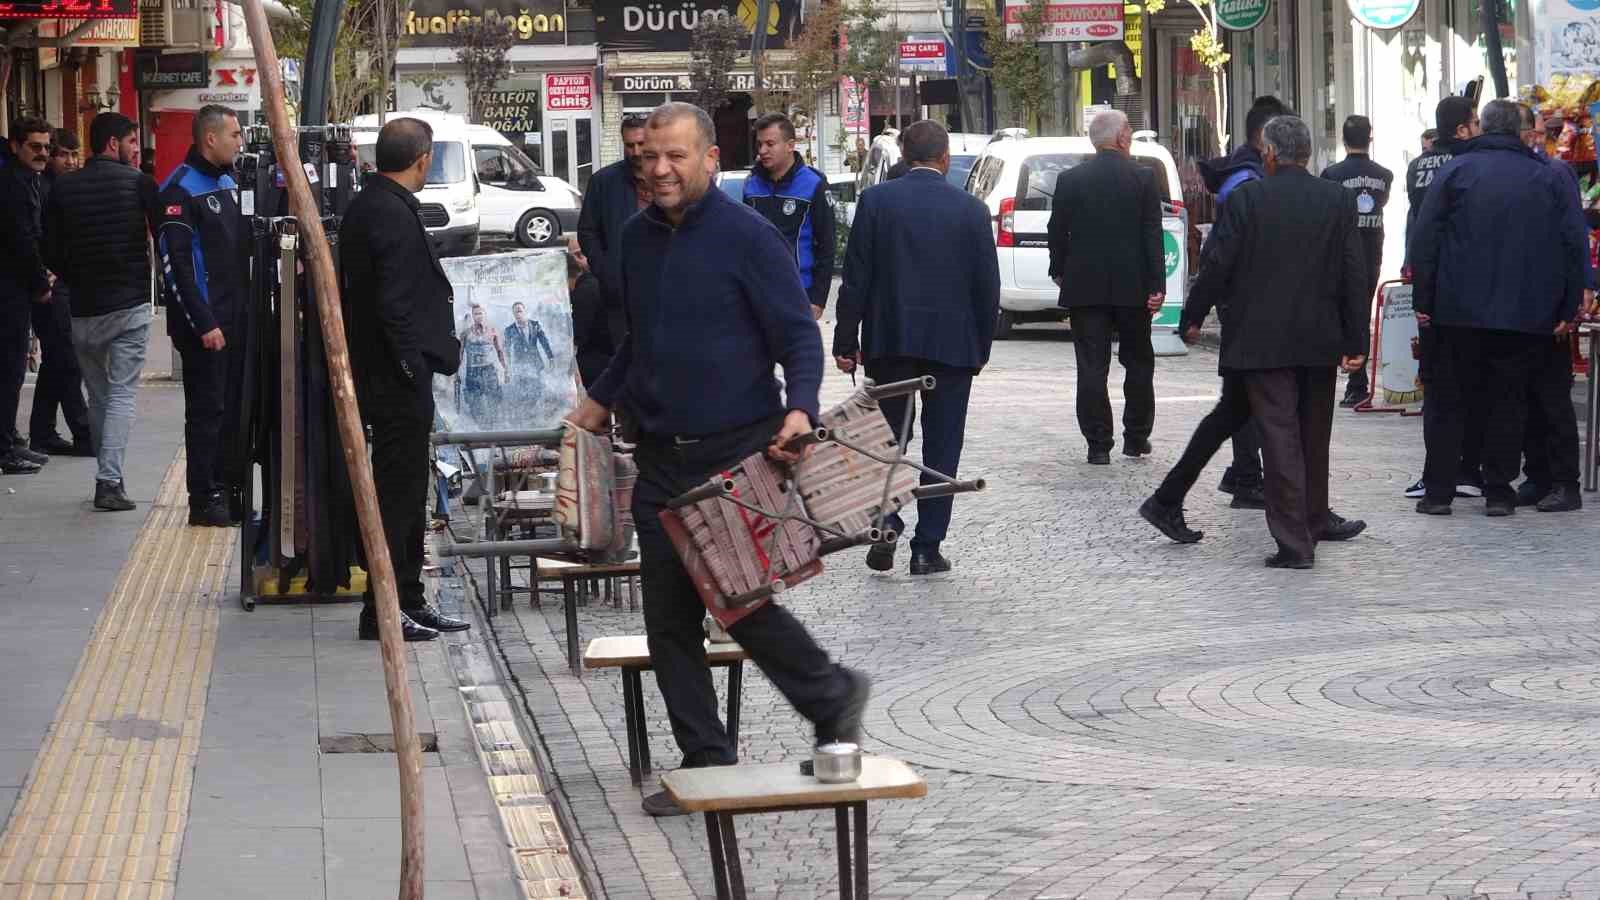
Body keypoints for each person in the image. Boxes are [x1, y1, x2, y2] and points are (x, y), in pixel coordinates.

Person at [566, 102, 869, 818]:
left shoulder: (749, 238)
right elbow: (638, 344)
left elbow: (797, 335)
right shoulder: (635, 241)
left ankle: (830, 691)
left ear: (710, 160)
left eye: (676, 156)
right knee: (669, 619)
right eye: (651, 158)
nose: (661, 169)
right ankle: (706, 762)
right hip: (660, 455)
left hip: (735, 449)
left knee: (736, 599)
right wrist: (598, 402)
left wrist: (802, 408)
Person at [1152, 116, 1368, 567]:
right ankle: (1306, 523)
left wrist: (1191, 316)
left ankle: (1296, 538)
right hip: (1318, 337)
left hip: (1260, 338)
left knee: (1277, 434)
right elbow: (1354, 272)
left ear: (1269, 153)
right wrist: (1356, 339)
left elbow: (1217, 266)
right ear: (1307, 153)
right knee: (1310, 434)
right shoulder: (1337, 199)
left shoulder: (1249, 198)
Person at [834, 120, 1001, 575]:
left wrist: (846, 339)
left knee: (889, 441)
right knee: (943, 449)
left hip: (892, 342)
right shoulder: (970, 210)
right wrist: (982, 344)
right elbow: (987, 285)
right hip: (953, 347)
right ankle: (927, 549)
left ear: (905, 157)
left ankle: (887, 521)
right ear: (945, 159)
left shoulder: (876, 202)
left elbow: (856, 278)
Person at [1410, 99, 1589, 518]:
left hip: (1457, 310)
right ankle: (1498, 491)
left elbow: (1426, 237)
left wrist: (1425, 299)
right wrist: (1568, 303)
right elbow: (1571, 240)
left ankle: (1438, 492)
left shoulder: (1454, 171)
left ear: (1483, 128)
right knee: (1507, 401)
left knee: (1449, 400)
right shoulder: (1545, 176)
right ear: (1518, 131)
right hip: (1525, 312)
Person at [340, 116, 469, 642]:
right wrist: (411, 366)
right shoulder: (385, 213)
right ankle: (386, 607)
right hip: (394, 379)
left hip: (395, 374)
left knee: (409, 489)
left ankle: (408, 598)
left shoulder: (378, 205)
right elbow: (392, 304)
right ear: (423, 159)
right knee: (398, 493)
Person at [1170, 96, 1293, 511]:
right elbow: (1223, 258)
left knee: (1239, 403)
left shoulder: (1249, 176)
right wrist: (1195, 313)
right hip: (1249, 306)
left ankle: (1240, 476)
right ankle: (1247, 477)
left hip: (1249, 305)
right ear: (1266, 139)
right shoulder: (1247, 184)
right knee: (1246, 403)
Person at [42, 113, 160, 510]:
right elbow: (163, 237)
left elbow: (50, 250)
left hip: (83, 309)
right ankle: (108, 481)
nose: (135, 149)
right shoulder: (140, 183)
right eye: (131, 141)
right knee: (123, 393)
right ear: (113, 143)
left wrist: (73, 275)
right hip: (128, 306)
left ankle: (110, 472)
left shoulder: (62, 189)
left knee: (98, 394)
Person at [1047, 108, 1164, 464]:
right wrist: (1157, 285)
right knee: (1139, 362)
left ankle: (1098, 444)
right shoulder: (1143, 178)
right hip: (1133, 287)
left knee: (1091, 365)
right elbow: (1151, 235)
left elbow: (1057, 230)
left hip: (1085, 286)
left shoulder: (1070, 180)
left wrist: (1060, 269)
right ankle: (1136, 436)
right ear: (1123, 137)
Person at [155, 105, 248, 526]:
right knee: (207, 412)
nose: (240, 142)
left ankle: (228, 487)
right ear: (210, 138)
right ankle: (204, 496)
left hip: (236, 318)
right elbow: (174, 266)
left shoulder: (229, 182)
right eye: (234, 134)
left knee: (231, 408)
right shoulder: (178, 190)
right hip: (206, 325)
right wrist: (203, 322)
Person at [1401, 96, 1485, 501]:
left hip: (1431, 289)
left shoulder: (1419, 166)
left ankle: (1436, 473)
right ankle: (1469, 468)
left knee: (1437, 390)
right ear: (1462, 129)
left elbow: (1420, 228)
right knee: (1474, 385)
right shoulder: (1471, 167)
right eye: (1475, 122)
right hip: (1468, 289)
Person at [1515, 103, 1592, 511]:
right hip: (1519, 302)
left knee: (1552, 395)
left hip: (1549, 301)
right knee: (1526, 394)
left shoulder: (1554, 173)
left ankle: (1566, 482)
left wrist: (1577, 293)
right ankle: (1537, 474)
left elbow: (1574, 237)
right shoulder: (1518, 172)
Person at [26, 127, 92, 460]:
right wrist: (43, 274)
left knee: (56, 359)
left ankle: (42, 432)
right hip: (47, 286)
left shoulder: (62, 188)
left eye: (72, 154)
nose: (69, 161)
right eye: (62, 154)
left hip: (61, 280)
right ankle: (83, 430)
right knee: (66, 357)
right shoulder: (40, 187)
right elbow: (29, 235)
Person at [1320, 115, 1393, 408]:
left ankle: (1352, 377)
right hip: (1372, 251)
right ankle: (1355, 379)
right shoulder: (1384, 175)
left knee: (1341, 311)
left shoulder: (1331, 175)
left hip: (1342, 254)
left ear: (1343, 139)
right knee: (1360, 312)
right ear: (1370, 138)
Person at [0, 116, 56, 475]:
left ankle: (9, 438)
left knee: (14, 367)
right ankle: (5, 447)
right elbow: (21, 240)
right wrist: (40, 284)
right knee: (8, 368)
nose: (43, 154)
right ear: (15, 146)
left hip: (18, 287)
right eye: (35, 147)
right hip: (10, 290)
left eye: (46, 147)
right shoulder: (13, 186)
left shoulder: (31, 181)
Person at [744, 113, 836, 321]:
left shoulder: (814, 184)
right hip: (757, 293)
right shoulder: (751, 184)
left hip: (798, 293)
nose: (762, 151)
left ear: (790, 145)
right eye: (760, 144)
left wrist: (818, 299)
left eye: (770, 144)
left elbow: (827, 246)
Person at [577, 115, 647, 350]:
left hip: (664, 292)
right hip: (619, 296)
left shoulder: (666, 178)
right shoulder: (604, 182)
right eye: (630, 145)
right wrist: (605, 270)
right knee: (625, 361)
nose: (636, 151)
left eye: (641, 143)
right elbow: (587, 231)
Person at [566, 237, 612, 388]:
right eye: (575, 255)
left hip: (598, 362)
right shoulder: (600, 281)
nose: (578, 260)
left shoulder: (585, 291)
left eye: (580, 254)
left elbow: (577, 335)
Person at [457, 303, 507, 426]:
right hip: (472, 371)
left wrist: (506, 370)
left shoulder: (493, 331)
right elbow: (460, 355)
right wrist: (456, 373)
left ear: (484, 314)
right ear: (472, 316)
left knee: (493, 400)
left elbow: (500, 351)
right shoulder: (465, 333)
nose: (478, 316)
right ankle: (479, 429)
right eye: (476, 314)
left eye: (480, 313)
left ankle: (493, 427)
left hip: (489, 370)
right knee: (474, 402)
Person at [503, 300, 553, 421]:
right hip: (520, 366)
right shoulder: (509, 330)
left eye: (520, 310)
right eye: (515, 311)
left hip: (535, 364)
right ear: (513, 314)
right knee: (522, 391)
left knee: (537, 389)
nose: (518, 313)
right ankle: (525, 417)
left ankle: (533, 413)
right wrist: (507, 367)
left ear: (524, 311)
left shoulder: (535, 325)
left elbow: (544, 341)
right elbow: (507, 350)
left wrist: (550, 357)